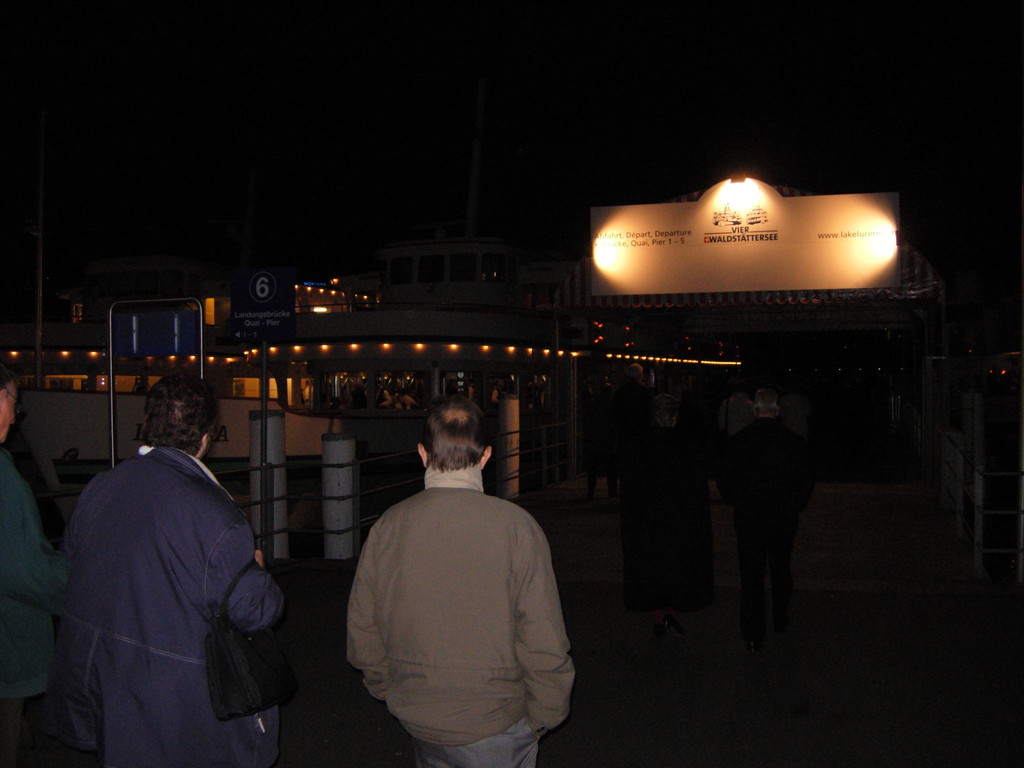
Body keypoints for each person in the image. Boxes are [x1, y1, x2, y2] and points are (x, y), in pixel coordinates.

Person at [43, 374, 286, 767]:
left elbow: (72, 571)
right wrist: (260, 574)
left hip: (107, 681)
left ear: (148, 422)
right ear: (206, 437)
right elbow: (254, 611)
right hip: (175, 701)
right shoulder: (216, 513)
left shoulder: (101, 487)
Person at [347, 396, 574, 768]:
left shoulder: (389, 524)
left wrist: (389, 686)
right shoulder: (516, 526)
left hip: (417, 711)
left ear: (422, 453)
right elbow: (541, 631)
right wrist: (545, 713)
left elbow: (363, 625)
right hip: (495, 717)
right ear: (486, 456)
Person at [0, 364, 69, 768]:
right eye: (14, 401)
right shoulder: (4, 479)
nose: (15, 416)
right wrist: (76, 583)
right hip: (7, 640)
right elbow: (23, 570)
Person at [717, 388, 814, 651]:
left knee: (752, 573)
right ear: (777, 410)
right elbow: (805, 480)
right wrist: (795, 504)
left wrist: (737, 500)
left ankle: (753, 633)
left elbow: (725, 479)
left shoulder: (739, 441)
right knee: (781, 566)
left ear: (754, 410)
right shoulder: (793, 441)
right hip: (782, 514)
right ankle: (780, 617)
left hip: (749, 515)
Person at [619, 394, 713, 637]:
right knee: (676, 566)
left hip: (648, 522)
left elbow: (629, 491)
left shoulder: (638, 449)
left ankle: (659, 613)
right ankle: (671, 609)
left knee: (652, 567)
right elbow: (697, 492)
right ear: (675, 417)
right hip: (679, 521)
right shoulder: (687, 448)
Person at [581, 378, 617, 500]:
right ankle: (612, 491)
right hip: (607, 442)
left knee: (592, 470)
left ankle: (591, 492)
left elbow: (588, 422)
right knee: (611, 469)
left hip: (595, 441)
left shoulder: (594, 405)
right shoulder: (612, 406)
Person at [609, 363, 654, 461]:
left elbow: (614, 412)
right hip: (640, 432)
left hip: (624, 432)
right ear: (640, 376)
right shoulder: (645, 392)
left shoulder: (620, 392)